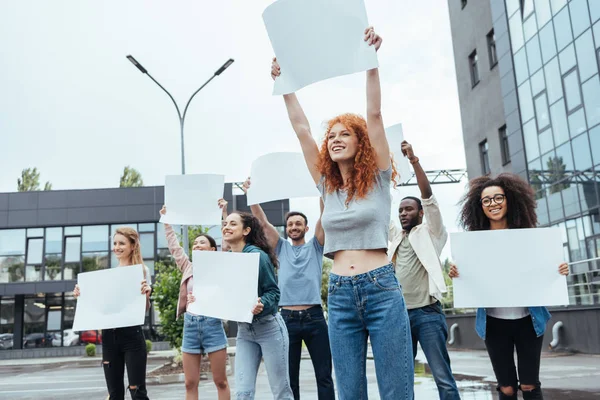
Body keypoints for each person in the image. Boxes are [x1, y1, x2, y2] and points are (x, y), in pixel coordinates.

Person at [271, 27, 414, 399]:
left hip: (381, 287)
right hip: (339, 294)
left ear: (360, 142)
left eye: (344, 134)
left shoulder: (380, 179)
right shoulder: (326, 186)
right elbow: (302, 131)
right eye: (331, 135)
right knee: (349, 392)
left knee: (396, 389)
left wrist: (371, 62)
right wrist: (285, 84)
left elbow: (375, 114)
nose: (334, 139)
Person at [449, 174, 569, 400]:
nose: (493, 203)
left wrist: (559, 269)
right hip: (494, 323)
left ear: (509, 199)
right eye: (486, 200)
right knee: (506, 388)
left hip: (528, 320)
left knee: (529, 385)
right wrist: (457, 273)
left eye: (498, 198)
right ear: (479, 206)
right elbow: (469, 278)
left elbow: (546, 268)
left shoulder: (530, 237)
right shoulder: (473, 244)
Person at [241, 178, 334, 399]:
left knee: (324, 375)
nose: (294, 227)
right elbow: (262, 223)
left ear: (306, 227)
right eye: (290, 224)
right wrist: (252, 195)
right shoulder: (280, 247)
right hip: (287, 319)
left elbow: (325, 216)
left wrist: (324, 186)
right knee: (289, 377)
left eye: (298, 223)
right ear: (287, 228)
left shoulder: (316, 246)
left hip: (315, 318)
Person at [388, 141, 461, 400]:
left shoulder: (432, 233)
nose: (403, 213)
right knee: (402, 377)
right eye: (400, 210)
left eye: (408, 209)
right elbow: (379, 207)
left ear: (420, 213)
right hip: (398, 316)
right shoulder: (394, 238)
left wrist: (413, 161)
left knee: (442, 376)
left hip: (428, 314)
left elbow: (428, 197)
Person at [159, 199, 230, 400]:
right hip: (190, 325)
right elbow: (174, 247)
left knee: (221, 381)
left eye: (202, 242)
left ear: (212, 250)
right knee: (190, 382)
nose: (197, 244)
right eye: (196, 242)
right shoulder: (188, 267)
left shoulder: (218, 264)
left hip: (212, 325)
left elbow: (226, 240)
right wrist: (166, 221)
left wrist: (224, 213)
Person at [74, 227, 152, 400]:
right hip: (110, 337)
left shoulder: (142, 271)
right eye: (115, 243)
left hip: (132, 336)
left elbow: (144, 309)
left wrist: (146, 295)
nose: (117, 247)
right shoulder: (108, 275)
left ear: (133, 246)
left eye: (122, 243)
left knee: (137, 391)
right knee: (114, 394)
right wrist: (82, 293)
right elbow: (100, 305)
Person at [222, 211, 293, 399]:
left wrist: (263, 303)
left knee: (281, 391)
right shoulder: (225, 260)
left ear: (246, 230)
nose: (226, 227)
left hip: (269, 328)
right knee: (243, 393)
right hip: (244, 332)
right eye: (225, 223)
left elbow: (274, 292)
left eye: (232, 224)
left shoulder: (258, 257)